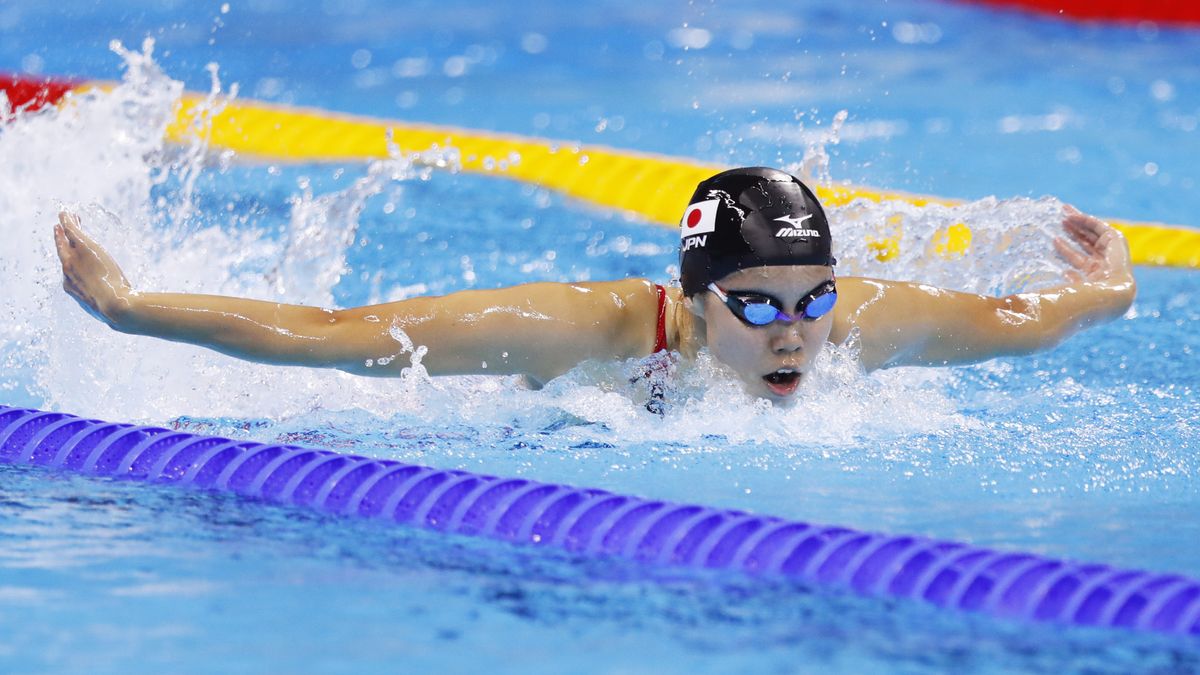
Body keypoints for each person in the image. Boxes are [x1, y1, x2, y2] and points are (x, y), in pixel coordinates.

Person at [53, 167, 1135, 402]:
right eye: (758, 305)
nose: (797, 335)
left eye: (816, 299)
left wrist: (1112, 292)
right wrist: (130, 308)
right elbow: (339, 332)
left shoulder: (854, 324)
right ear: (700, 296)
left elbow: (1018, 322)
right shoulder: (577, 329)